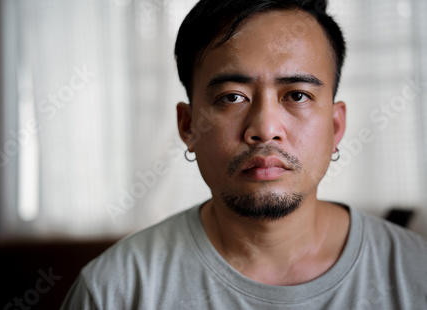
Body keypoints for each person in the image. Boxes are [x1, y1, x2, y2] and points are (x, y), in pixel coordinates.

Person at [61, 0, 427, 309]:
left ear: (336, 126)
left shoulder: (415, 273)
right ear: (188, 126)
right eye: (232, 97)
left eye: (297, 95)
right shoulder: (114, 291)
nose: (265, 128)